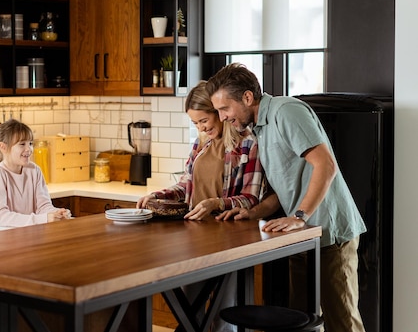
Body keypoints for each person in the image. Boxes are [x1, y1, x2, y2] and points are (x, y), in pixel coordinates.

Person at [206, 63, 366, 332]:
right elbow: (285, 187)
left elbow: (325, 165)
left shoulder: (286, 111)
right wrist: (254, 213)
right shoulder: (260, 127)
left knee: (343, 323)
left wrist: (299, 217)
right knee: (301, 323)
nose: (222, 118)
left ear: (247, 97)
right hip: (301, 236)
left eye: (225, 109)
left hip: (330, 234)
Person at [136, 80, 267, 332]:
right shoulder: (200, 144)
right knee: (188, 308)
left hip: (230, 238)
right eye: (195, 123)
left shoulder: (247, 143)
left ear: (218, 113)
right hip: (196, 239)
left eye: (204, 120)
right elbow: (186, 185)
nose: (201, 128)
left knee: (223, 316)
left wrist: (216, 203)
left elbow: (251, 198)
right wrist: (157, 195)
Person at [0, 119, 71, 227]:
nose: (29, 149)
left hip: (29, 237)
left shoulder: (34, 170)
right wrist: (44, 218)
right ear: (3, 147)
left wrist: (56, 213)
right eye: (22, 144)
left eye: (30, 143)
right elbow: (1, 217)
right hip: (2, 239)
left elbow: (43, 206)